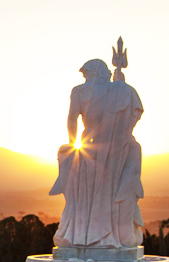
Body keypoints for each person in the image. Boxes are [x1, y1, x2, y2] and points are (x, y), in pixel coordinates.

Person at [50, 58, 145, 249]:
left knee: (89, 197)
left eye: (85, 75)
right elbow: (133, 113)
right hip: (114, 148)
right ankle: (108, 235)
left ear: (89, 73)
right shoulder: (117, 90)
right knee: (105, 193)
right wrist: (121, 85)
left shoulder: (79, 91)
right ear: (104, 73)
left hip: (89, 147)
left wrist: (72, 144)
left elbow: (72, 119)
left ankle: (83, 235)